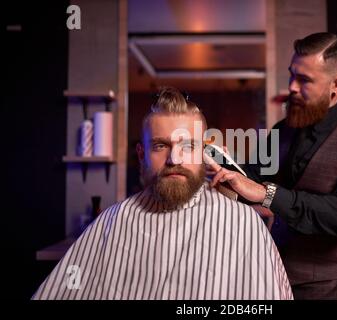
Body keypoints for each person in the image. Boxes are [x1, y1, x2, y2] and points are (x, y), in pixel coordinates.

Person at [32, 87, 293, 300]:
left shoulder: (242, 224)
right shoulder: (112, 222)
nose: (174, 158)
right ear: (142, 154)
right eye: (160, 145)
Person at [208, 33, 337, 299]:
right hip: (273, 278)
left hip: (331, 291)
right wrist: (221, 163)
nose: (292, 87)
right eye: (292, 75)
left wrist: (266, 194)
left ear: (336, 85)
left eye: (304, 80)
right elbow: (251, 180)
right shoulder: (283, 130)